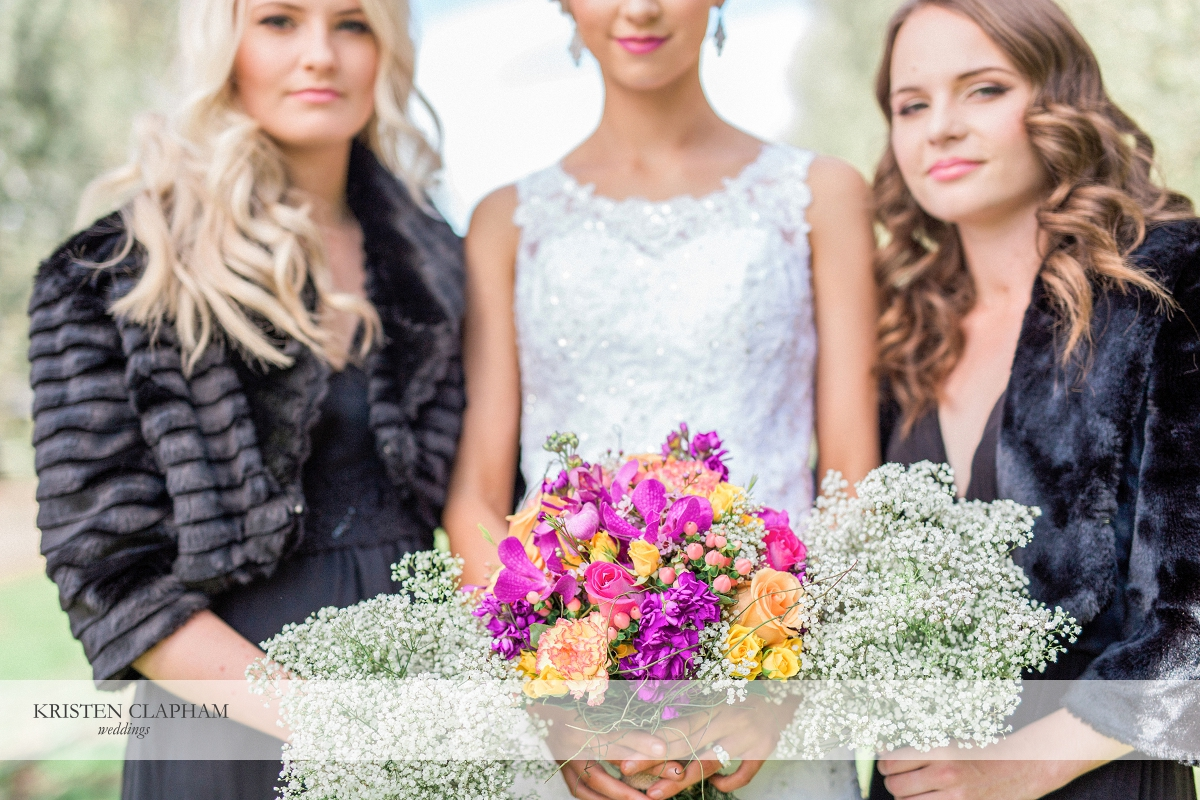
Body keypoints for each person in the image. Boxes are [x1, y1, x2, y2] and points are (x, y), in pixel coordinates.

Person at [442, 0, 880, 797]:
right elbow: (476, 493)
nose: (640, 8)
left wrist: (781, 691)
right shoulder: (507, 222)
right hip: (573, 717)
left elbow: (851, 472)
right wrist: (550, 703)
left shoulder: (823, 194)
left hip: (771, 701)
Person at [27, 0, 463, 797]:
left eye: (352, 23)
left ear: (387, 48)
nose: (320, 54)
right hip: (225, 730)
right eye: (279, 20)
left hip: (421, 711)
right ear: (223, 43)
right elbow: (109, 575)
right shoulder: (113, 274)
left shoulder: (440, 266)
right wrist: (342, 728)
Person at [870, 0, 1200, 798]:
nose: (940, 128)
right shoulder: (900, 334)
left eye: (982, 89)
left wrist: (1015, 765)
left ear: (1059, 99)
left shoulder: (1169, 282)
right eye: (912, 105)